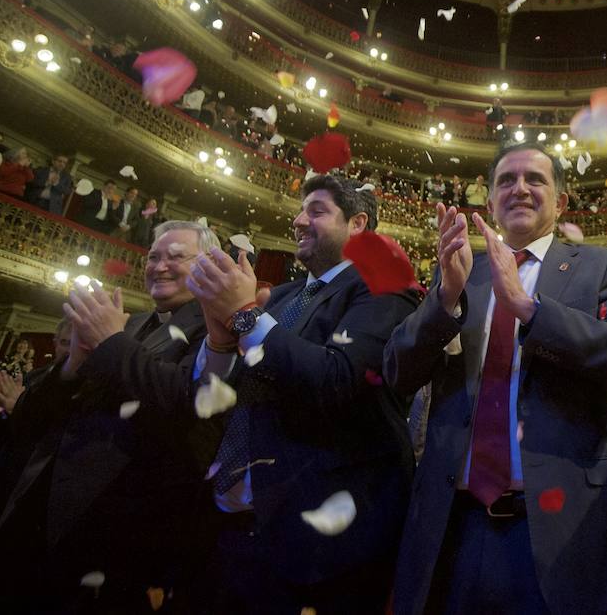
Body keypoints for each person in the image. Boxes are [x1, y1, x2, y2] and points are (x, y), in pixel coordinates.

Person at [101, 176, 421, 613]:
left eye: (317, 210)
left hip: (312, 547)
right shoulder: (283, 296)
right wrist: (217, 341)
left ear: (358, 223)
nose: (299, 219)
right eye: (300, 209)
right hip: (224, 528)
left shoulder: (383, 285)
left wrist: (246, 316)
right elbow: (216, 399)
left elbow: (339, 379)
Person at [384, 142, 607, 615]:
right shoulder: (458, 271)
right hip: (454, 525)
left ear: (561, 201)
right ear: (488, 203)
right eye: (506, 180)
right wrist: (444, 299)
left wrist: (530, 309)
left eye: (536, 179)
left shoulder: (599, 266)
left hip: (562, 524)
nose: (520, 189)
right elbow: (397, 372)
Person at [0, 221, 218, 614]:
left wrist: (110, 343)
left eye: (176, 257)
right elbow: (39, 418)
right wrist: (73, 363)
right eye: (153, 257)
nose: (160, 266)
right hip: (40, 504)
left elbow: (186, 403)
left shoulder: (215, 330)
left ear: (206, 263)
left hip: (116, 530)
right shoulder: (130, 322)